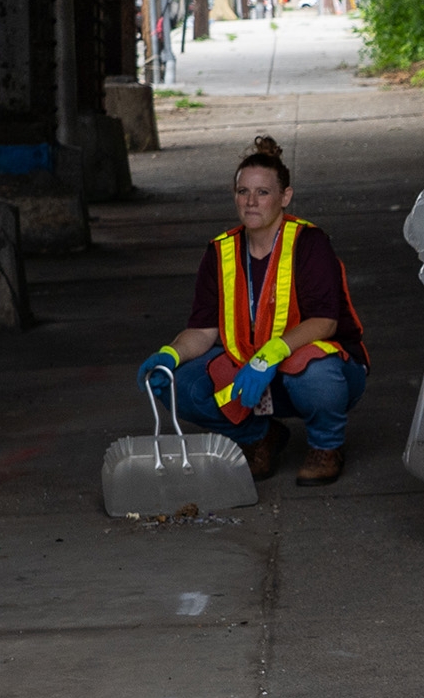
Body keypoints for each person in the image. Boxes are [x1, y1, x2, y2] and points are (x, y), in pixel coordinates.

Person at [138, 137, 368, 485]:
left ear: (284, 197)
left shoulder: (308, 242)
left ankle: (326, 446)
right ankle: (259, 437)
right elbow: (203, 331)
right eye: (243, 191)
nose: (251, 201)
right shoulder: (220, 251)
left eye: (262, 192)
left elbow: (325, 321)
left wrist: (269, 356)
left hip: (309, 371)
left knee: (312, 374)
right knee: (179, 385)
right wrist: (169, 355)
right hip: (249, 374)